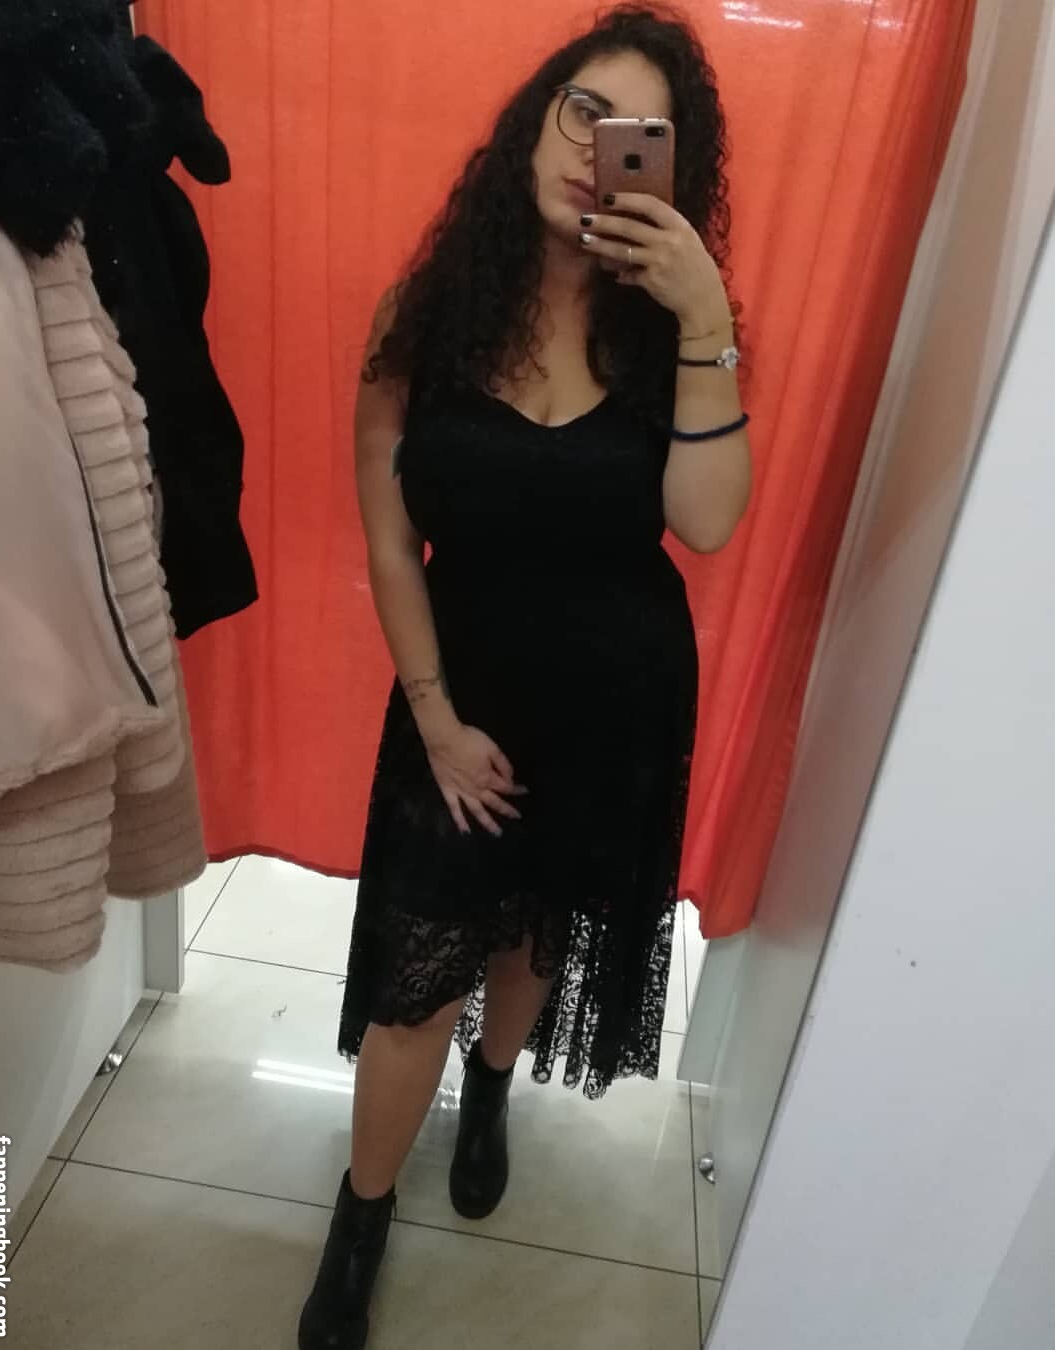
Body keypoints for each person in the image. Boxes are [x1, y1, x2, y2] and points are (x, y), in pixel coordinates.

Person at [298, 5, 750, 1346]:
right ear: (533, 119)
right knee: (416, 980)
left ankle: (492, 1087)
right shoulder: (428, 314)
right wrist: (434, 718)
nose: (596, 148)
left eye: (636, 133)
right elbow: (390, 538)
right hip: (461, 693)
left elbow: (707, 522)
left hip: (613, 703)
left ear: (669, 171)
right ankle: (361, 1216)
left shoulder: (671, 332)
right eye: (581, 110)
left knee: (538, 932)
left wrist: (707, 314)